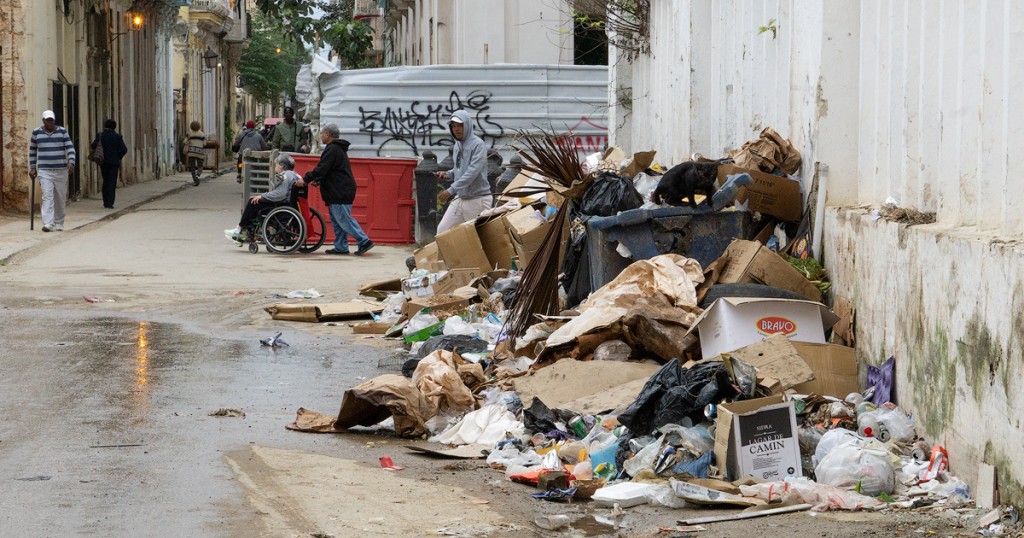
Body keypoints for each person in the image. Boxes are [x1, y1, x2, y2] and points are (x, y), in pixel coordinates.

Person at [303, 123, 374, 256]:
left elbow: (322, 168)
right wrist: (318, 180)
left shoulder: (332, 149)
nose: (321, 136)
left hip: (339, 191)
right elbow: (330, 171)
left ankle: (364, 241)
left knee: (343, 219)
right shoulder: (336, 149)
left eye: (322, 133)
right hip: (338, 190)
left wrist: (306, 179)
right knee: (337, 220)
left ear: (328, 135)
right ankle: (341, 246)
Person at [224, 154, 304, 245]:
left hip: (282, 206)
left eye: (276, 164)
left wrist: (262, 196)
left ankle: (239, 229)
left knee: (253, 201)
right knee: (256, 201)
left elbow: (280, 194)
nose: (275, 166)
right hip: (291, 205)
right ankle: (245, 230)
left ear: (281, 166)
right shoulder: (296, 175)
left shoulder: (284, 176)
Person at [435, 110, 492, 234]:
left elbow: (472, 172)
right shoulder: (457, 145)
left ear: (467, 125)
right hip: (461, 198)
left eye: (460, 125)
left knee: (476, 239)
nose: (456, 129)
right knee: (442, 231)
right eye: (453, 126)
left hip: (478, 199)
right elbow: (459, 169)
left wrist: (451, 189)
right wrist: (448, 174)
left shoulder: (478, 145)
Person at [29, 110, 76, 232]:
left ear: (54, 120)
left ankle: (59, 222)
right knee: (47, 196)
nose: (50, 122)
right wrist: (33, 167)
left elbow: (70, 147)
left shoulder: (62, 131)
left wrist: (71, 161)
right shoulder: (36, 133)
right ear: (43, 121)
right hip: (44, 170)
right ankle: (48, 223)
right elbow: (32, 151)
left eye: (52, 120)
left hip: (60, 169)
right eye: (47, 120)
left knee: (60, 197)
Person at [91, 119, 129, 209]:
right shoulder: (118, 137)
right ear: (114, 127)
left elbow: (93, 146)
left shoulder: (101, 136)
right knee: (112, 182)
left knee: (105, 181)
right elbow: (124, 149)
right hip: (114, 163)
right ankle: (110, 202)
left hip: (104, 162)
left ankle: (105, 202)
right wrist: (118, 157)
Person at [185, 121, 206, 186]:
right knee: (200, 165)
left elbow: (185, 141)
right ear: (199, 126)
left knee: (192, 166)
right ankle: (198, 175)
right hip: (199, 152)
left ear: (191, 126)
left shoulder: (189, 134)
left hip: (191, 153)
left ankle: (195, 179)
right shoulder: (202, 134)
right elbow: (205, 143)